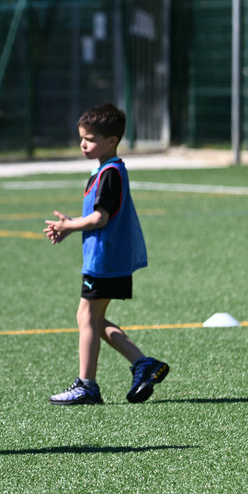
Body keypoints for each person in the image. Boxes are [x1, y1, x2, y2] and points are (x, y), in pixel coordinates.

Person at [43, 103, 168, 405]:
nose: (83, 144)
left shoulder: (110, 173)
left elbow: (101, 219)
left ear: (112, 140)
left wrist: (70, 226)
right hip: (107, 258)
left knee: (86, 316)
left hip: (105, 260)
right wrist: (71, 224)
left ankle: (87, 385)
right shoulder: (105, 171)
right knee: (95, 320)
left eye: (90, 139)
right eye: (82, 138)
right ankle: (144, 364)